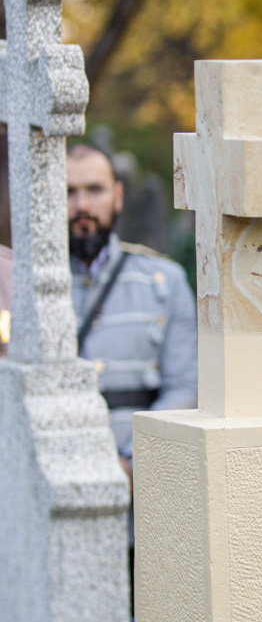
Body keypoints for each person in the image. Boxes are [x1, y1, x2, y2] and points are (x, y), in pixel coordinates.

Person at [67, 141, 196, 467]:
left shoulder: (165, 281)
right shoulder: (18, 285)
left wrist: (136, 461)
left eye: (95, 190)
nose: (82, 205)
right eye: (68, 192)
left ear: (118, 196)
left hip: (140, 481)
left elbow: (185, 386)